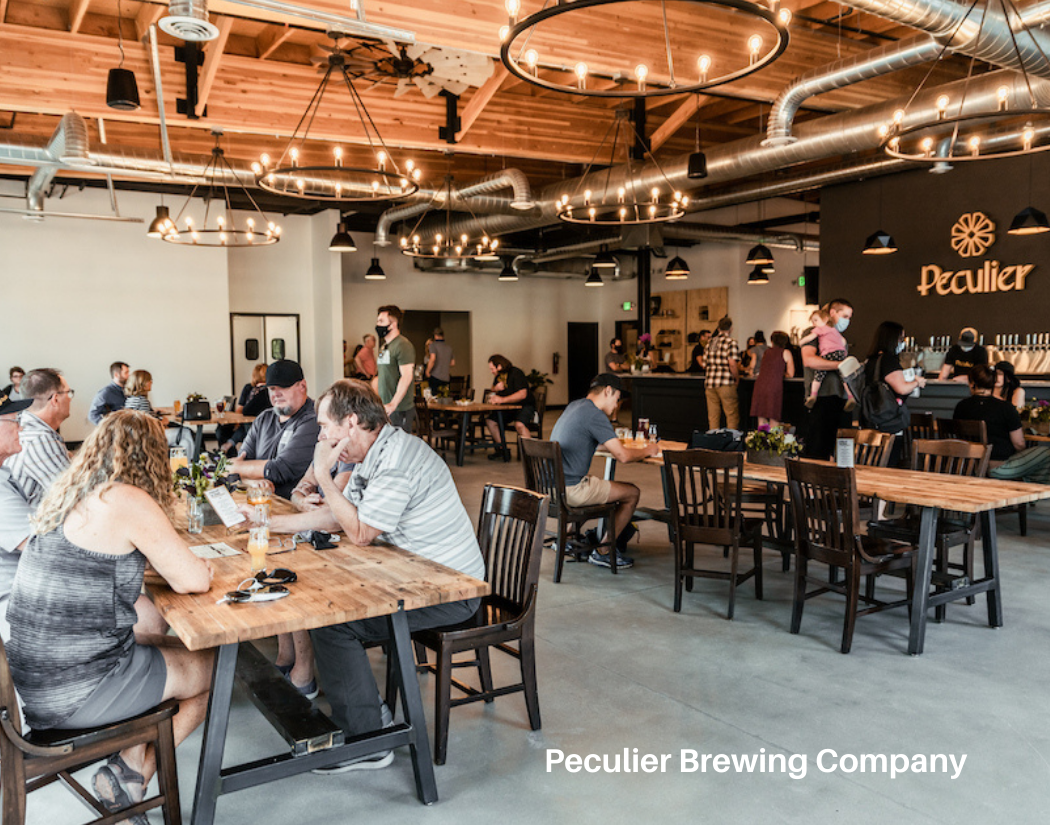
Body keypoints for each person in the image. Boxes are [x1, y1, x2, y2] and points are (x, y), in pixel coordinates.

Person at [260, 379, 484, 772]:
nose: (322, 437)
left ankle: (367, 740)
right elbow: (340, 517)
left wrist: (323, 476)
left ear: (351, 422)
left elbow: (361, 532)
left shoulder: (396, 461)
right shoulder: (377, 452)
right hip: (412, 574)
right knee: (328, 602)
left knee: (333, 622)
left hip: (449, 590)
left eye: (324, 427)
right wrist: (267, 523)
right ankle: (367, 710)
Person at [6, 411, 213, 823]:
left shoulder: (71, 492)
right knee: (218, 667)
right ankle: (132, 775)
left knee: (152, 630)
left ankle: (130, 759)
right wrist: (201, 569)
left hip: (31, 681)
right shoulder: (125, 499)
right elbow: (192, 580)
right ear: (153, 456)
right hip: (73, 692)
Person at [550, 373, 659, 569]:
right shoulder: (595, 414)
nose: (617, 405)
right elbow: (623, 456)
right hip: (571, 490)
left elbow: (584, 441)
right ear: (608, 391)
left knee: (596, 485)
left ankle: (565, 538)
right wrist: (649, 450)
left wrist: (615, 446)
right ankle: (604, 551)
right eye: (617, 398)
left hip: (550, 488)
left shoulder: (575, 406)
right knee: (632, 493)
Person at [229, 359, 319, 500]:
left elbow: (281, 469)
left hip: (294, 506)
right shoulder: (264, 418)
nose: (276, 394)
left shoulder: (313, 419)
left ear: (302, 386)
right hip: (261, 503)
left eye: (283, 387)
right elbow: (241, 463)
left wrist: (235, 467)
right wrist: (252, 481)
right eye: (272, 388)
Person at [3, 368, 72, 508]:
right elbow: (73, 493)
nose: (70, 398)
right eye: (68, 392)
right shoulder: (39, 439)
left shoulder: (27, 429)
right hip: (33, 521)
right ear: (55, 399)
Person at [861, 321, 926, 465]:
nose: (902, 343)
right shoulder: (889, 360)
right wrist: (917, 382)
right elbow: (901, 388)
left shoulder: (871, 360)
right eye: (901, 338)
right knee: (890, 461)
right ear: (892, 339)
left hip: (871, 419)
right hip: (888, 420)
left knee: (874, 462)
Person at [801, 298, 855, 460]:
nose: (847, 321)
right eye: (845, 316)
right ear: (832, 313)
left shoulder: (838, 337)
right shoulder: (814, 331)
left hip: (841, 398)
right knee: (818, 452)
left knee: (843, 456)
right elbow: (809, 360)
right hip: (822, 397)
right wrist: (840, 365)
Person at [0, 389, 34, 642]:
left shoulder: (4, 473)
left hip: (28, 587)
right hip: (18, 602)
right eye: (15, 420)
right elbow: (41, 547)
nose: (20, 428)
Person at [800, 307, 857, 409]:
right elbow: (843, 342)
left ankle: (813, 395)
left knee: (819, 375)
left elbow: (810, 337)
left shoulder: (821, 330)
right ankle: (851, 396)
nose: (814, 323)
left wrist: (801, 342)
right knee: (844, 377)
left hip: (828, 355)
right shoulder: (834, 331)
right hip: (840, 355)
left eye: (815, 320)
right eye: (844, 316)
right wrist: (842, 363)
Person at [372, 305, 416, 433]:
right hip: (385, 408)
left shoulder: (403, 345)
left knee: (399, 443)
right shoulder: (384, 347)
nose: (378, 325)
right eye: (377, 321)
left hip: (399, 409)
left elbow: (407, 376)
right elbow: (382, 375)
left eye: (381, 321)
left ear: (393, 324)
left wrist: (393, 404)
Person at [484, 354, 535, 461]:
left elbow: (522, 394)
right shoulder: (499, 376)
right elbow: (493, 389)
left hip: (524, 406)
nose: (491, 371)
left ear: (499, 366)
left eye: (492, 369)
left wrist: (502, 400)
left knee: (519, 425)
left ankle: (530, 454)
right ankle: (503, 449)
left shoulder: (516, 373)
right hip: (509, 408)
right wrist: (496, 389)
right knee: (491, 421)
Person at [218, 362, 272, 455]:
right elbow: (240, 409)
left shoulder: (269, 391)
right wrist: (237, 422)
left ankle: (229, 447)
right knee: (221, 430)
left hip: (258, 424)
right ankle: (230, 454)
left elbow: (243, 410)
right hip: (247, 422)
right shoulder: (249, 388)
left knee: (246, 428)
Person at [750, 331, 795, 428]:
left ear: (772, 341)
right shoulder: (785, 352)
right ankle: (772, 437)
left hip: (760, 385)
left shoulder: (767, 352)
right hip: (774, 386)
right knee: (773, 416)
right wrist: (782, 373)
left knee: (761, 417)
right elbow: (791, 374)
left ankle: (761, 436)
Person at [704, 316, 741, 431]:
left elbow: (704, 363)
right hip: (726, 382)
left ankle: (713, 438)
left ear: (718, 328)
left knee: (713, 416)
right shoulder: (731, 342)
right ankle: (731, 439)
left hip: (710, 382)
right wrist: (737, 378)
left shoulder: (710, 342)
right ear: (731, 329)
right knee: (731, 414)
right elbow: (732, 363)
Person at [426, 327, 455, 393]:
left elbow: (433, 359)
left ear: (435, 336)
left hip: (435, 376)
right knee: (444, 396)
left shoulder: (433, 345)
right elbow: (452, 363)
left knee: (434, 396)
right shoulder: (449, 348)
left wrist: (428, 371)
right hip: (446, 377)